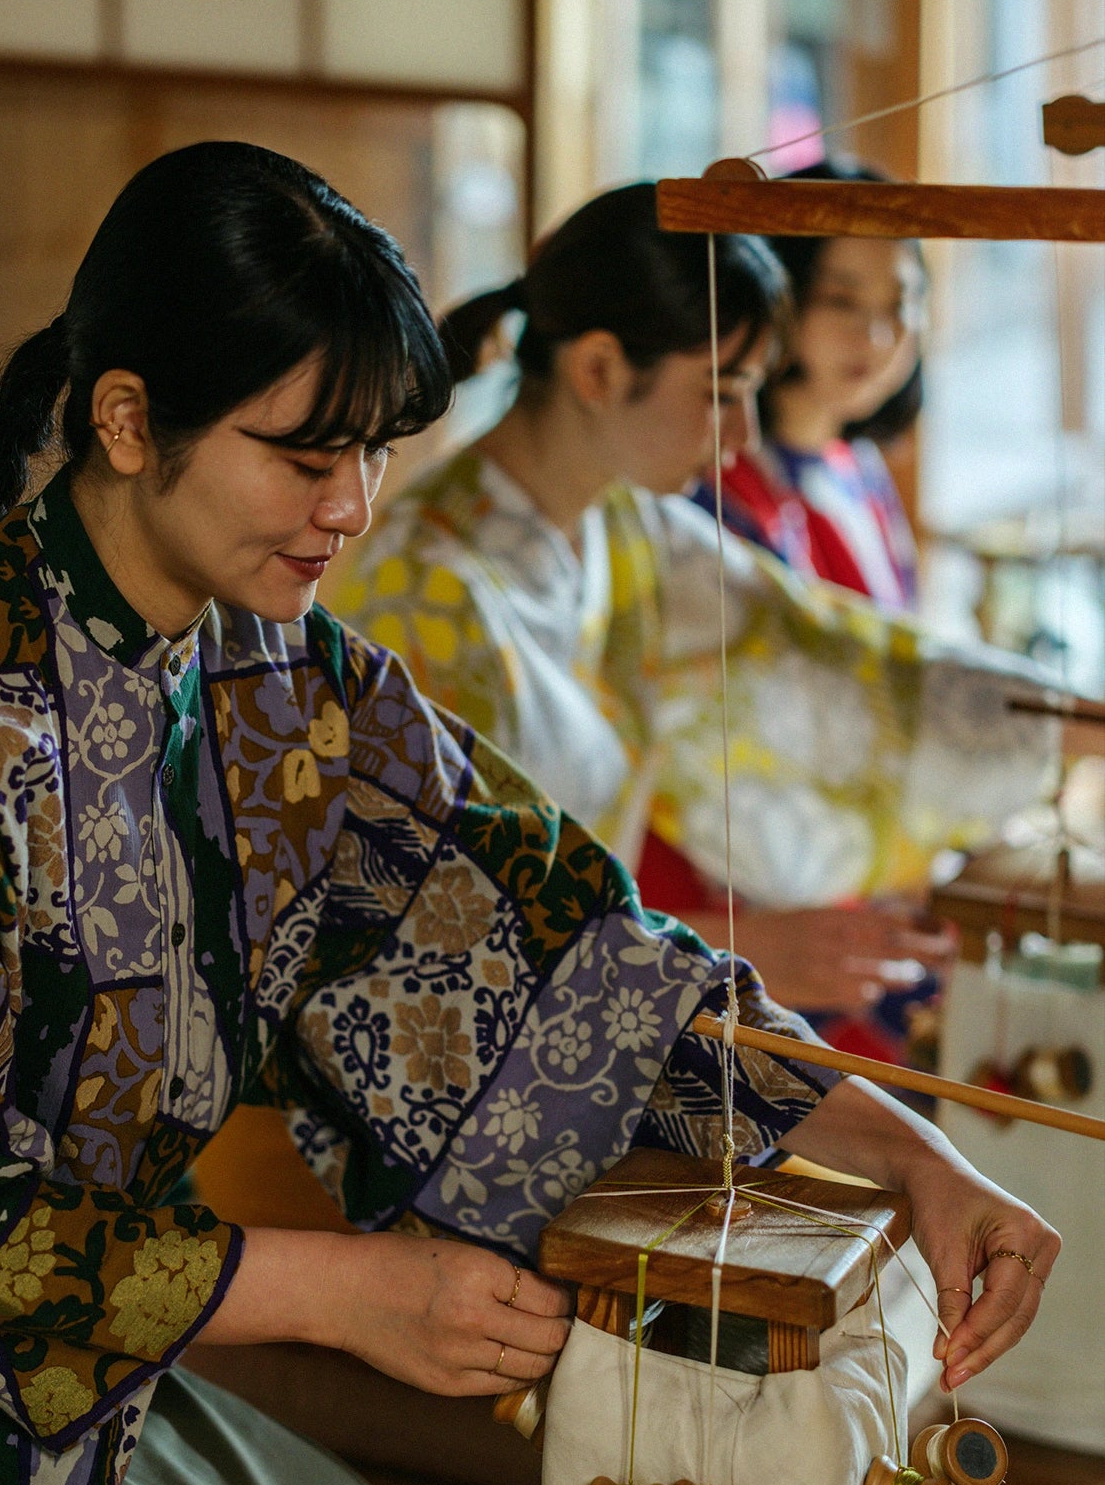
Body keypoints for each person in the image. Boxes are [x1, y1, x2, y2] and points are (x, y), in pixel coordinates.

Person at [0, 144, 1057, 1485]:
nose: (354, 502)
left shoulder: (281, 678)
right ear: (128, 420)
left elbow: (570, 943)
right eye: (307, 452)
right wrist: (360, 1294)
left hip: (63, 1362)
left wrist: (906, 1158)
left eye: (374, 449)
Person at [334, 182, 1055, 1027]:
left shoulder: (628, 526)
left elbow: (840, 662)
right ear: (598, 369)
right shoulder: (419, 591)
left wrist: (1059, 717)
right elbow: (433, 931)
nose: (742, 433)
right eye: (719, 392)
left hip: (606, 1025)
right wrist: (731, 945)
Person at [694, 156, 924, 610]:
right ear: (780, 298)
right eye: (841, 301)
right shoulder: (717, 481)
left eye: (900, 304)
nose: (877, 338)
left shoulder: (859, 467)